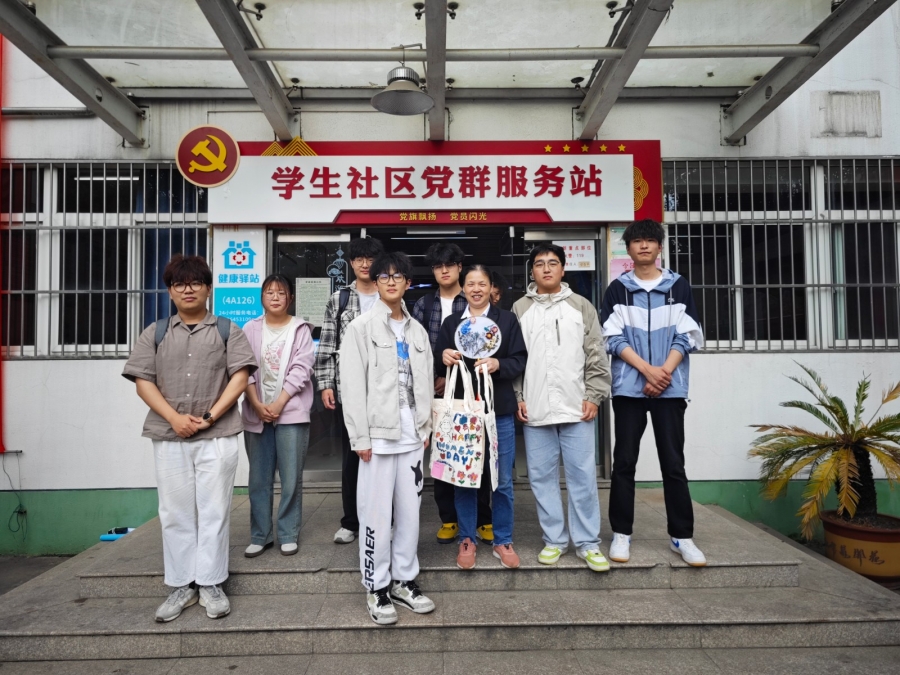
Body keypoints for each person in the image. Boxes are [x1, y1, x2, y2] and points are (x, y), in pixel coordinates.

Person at [122, 255, 257, 622]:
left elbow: (240, 378)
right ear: (170, 291)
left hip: (218, 435)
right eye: (179, 284)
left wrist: (209, 417)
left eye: (196, 283)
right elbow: (142, 382)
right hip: (169, 436)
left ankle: (211, 583)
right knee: (174, 512)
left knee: (215, 510)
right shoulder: (155, 332)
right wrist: (174, 419)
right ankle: (182, 584)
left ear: (208, 288)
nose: (187, 290)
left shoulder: (227, 330)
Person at [599, 219, 706, 567]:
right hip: (629, 390)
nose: (643, 245)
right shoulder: (618, 289)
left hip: (670, 390)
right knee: (624, 462)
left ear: (659, 247)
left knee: (673, 464)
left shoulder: (679, 286)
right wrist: (647, 370)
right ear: (628, 249)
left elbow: (688, 335)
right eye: (637, 241)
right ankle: (621, 533)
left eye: (650, 240)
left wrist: (664, 373)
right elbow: (611, 338)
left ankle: (682, 537)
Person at [340, 251, 436, 625]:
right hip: (377, 439)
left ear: (408, 284)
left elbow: (424, 383)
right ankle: (376, 585)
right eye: (384, 276)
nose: (391, 282)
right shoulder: (360, 327)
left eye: (398, 276)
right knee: (376, 516)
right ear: (376, 282)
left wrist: (425, 428)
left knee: (410, 515)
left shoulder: (417, 331)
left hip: (412, 436)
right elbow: (351, 385)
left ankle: (403, 580)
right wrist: (359, 437)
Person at [513, 243, 612, 573]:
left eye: (552, 263)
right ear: (532, 271)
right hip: (535, 407)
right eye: (539, 264)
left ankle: (587, 543)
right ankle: (554, 540)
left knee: (582, 477)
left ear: (563, 269)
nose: (546, 268)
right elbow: (515, 358)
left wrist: (594, 395)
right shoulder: (520, 308)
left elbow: (596, 353)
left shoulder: (580, 305)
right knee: (542, 478)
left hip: (577, 406)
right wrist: (518, 396)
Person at [437, 265, 527, 570]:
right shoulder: (452, 323)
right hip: (463, 413)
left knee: (502, 480)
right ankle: (467, 538)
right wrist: (444, 356)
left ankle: (503, 539)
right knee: (464, 477)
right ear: (463, 289)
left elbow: (519, 360)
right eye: (471, 284)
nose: (476, 289)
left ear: (491, 288)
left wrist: (498, 364)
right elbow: (437, 361)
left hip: (498, 410)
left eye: (482, 284)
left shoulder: (507, 320)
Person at [412, 242, 492, 545]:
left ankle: (483, 518)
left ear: (460, 267)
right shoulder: (423, 304)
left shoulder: (472, 300)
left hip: (472, 390)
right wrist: (434, 376)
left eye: (449, 264)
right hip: (434, 390)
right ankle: (449, 518)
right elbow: (417, 347)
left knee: (475, 452)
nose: (444, 270)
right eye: (438, 266)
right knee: (444, 452)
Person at [314, 236, 385, 545]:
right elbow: (327, 344)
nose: (365, 264)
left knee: (383, 457)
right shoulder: (339, 299)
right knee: (353, 455)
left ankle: (383, 519)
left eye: (370, 258)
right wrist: (326, 384)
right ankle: (351, 521)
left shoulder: (391, 295)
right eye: (359, 259)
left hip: (384, 393)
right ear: (352, 263)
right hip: (349, 391)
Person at [241, 275, 315, 557]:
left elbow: (302, 368)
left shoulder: (300, 329)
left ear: (290, 298)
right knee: (258, 479)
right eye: (269, 292)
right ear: (261, 297)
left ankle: (287, 533)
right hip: (256, 411)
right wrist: (257, 404)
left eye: (281, 293)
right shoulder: (250, 328)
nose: (275, 297)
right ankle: (260, 535)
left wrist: (279, 403)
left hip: (291, 413)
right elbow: (243, 368)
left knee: (291, 477)